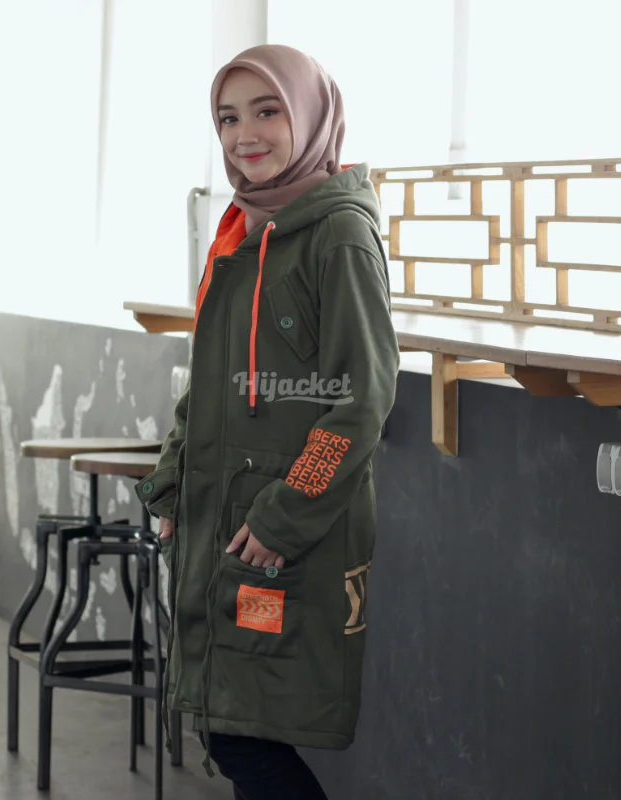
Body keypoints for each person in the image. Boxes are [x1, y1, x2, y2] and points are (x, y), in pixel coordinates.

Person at [135, 43, 400, 800]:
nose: (243, 134)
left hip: (284, 537)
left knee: (242, 734)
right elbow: (212, 385)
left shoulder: (338, 234)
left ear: (310, 117)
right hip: (225, 523)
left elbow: (362, 399)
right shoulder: (245, 230)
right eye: (227, 118)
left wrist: (286, 515)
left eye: (266, 111)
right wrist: (172, 482)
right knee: (228, 723)